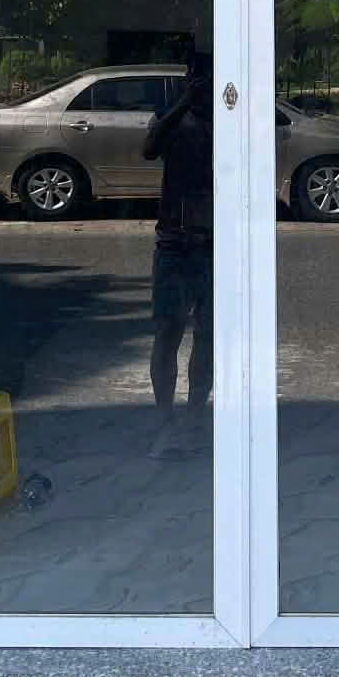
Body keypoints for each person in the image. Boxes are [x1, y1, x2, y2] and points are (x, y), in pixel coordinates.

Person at [141, 53, 214, 459]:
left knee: (208, 335)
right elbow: (149, 148)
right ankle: (165, 421)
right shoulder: (174, 117)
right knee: (168, 332)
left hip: (215, 244)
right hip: (174, 242)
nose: (202, 84)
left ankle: (195, 417)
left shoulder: (229, 120)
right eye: (196, 77)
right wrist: (184, 103)